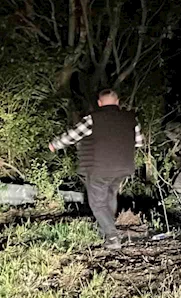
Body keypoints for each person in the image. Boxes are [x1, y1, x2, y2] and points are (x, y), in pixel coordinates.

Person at [49, 89, 143, 250]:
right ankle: (105, 230)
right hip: (123, 167)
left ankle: (112, 237)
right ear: (118, 102)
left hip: (99, 167)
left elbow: (72, 136)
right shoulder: (131, 119)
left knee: (97, 203)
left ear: (99, 103)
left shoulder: (93, 119)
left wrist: (54, 144)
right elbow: (139, 142)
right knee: (110, 196)